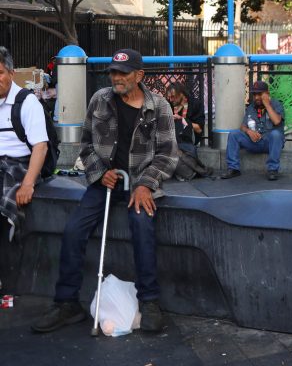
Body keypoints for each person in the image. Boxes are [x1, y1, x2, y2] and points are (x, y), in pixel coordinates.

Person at [31, 48, 179, 334]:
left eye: (123, 73)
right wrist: (100, 173)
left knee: (142, 226)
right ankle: (66, 303)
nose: (116, 78)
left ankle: (149, 301)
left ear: (139, 75)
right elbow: (86, 145)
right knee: (74, 230)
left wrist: (146, 184)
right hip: (105, 182)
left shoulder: (159, 106)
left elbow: (168, 154)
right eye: (113, 72)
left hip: (140, 182)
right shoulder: (100, 100)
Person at [0, 46, 49, 240]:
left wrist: (28, 184)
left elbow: (40, 147)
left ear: (11, 74)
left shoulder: (27, 102)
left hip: (20, 164)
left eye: (0, 73)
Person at [221, 80, 284, 181]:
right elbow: (243, 126)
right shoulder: (251, 107)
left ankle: (272, 169)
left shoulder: (276, 104)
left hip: (270, 143)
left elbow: (277, 121)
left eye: (260, 94)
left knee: (276, 134)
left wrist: (267, 104)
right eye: (254, 94)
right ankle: (233, 168)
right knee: (234, 134)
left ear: (267, 94)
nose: (256, 97)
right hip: (254, 142)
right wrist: (248, 131)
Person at [165, 82, 204, 156]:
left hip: (188, 139)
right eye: (169, 97)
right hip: (172, 138)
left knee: (180, 122)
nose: (170, 100)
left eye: (173, 96)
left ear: (181, 94)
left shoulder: (195, 104)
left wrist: (181, 119)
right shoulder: (169, 105)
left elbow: (199, 129)